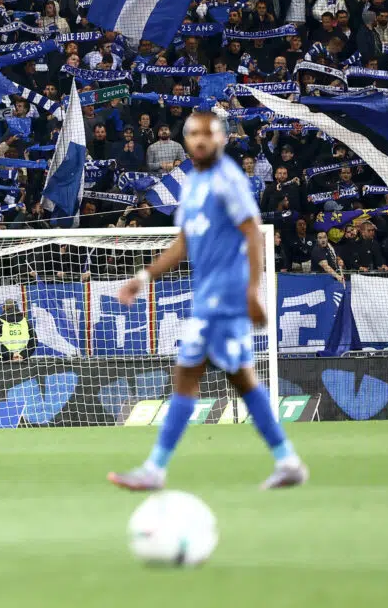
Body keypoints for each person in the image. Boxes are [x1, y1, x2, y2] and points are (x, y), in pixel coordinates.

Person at [108, 110, 307, 492]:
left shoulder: (228, 180)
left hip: (226, 299)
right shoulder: (194, 185)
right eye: (193, 134)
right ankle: (287, 461)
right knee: (240, 379)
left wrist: (252, 291)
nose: (200, 140)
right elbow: (184, 243)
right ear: (185, 141)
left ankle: (155, 468)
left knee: (188, 375)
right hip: (208, 298)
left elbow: (252, 235)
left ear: (222, 138)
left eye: (208, 134)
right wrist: (143, 277)